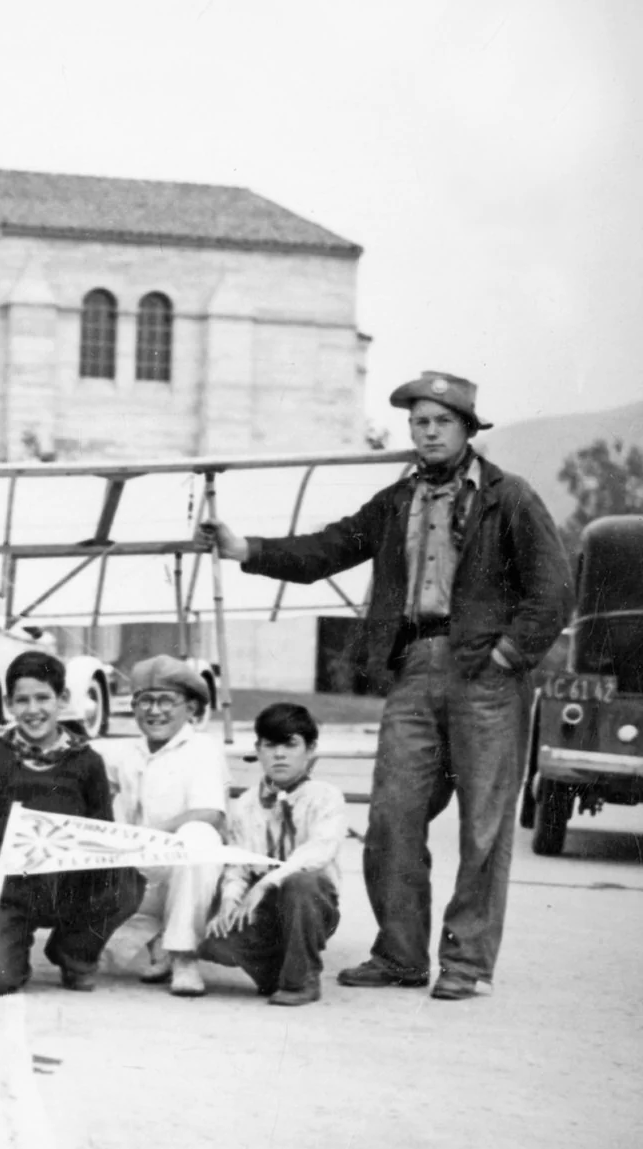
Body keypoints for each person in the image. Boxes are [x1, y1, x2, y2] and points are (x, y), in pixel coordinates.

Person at [205, 371, 570, 1001]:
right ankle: (401, 955)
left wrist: (510, 654)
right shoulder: (394, 501)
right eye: (418, 422)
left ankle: (466, 964)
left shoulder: (509, 498)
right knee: (392, 817)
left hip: (487, 675)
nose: (427, 432)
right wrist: (247, 548)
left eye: (441, 422)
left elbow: (554, 588)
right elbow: (326, 549)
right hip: (414, 668)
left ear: (467, 429)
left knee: (484, 826)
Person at [0, 652, 139, 995]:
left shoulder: (87, 762)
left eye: (43, 698)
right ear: (8, 704)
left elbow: (102, 832)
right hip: (9, 884)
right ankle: (9, 946)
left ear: (63, 699)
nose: (32, 709)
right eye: (22, 700)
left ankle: (74, 952)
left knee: (126, 877)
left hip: (69, 879)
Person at [200, 702, 345, 1006]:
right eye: (270, 745)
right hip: (262, 905)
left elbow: (318, 851)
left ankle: (301, 980)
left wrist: (267, 883)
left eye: (290, 744)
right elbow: (237, 865)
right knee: (214, 937)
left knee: (301, 883)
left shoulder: (325, 796)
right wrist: (229, 903)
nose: (279, 754)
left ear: (310, 749)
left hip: (309, 903)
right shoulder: (246, 804)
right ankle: (276, 971)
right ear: (259, 749)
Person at [107, 656, 230, 997]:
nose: (154, 711)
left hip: (187, 876)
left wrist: (152, 835)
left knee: (198, 836)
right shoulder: (126, 752)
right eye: (145, 700)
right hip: (137, 875)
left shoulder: (203, 749)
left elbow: (210, 814)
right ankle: (157, 942)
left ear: (191, 707)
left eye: (166, 701)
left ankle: (184, 955)